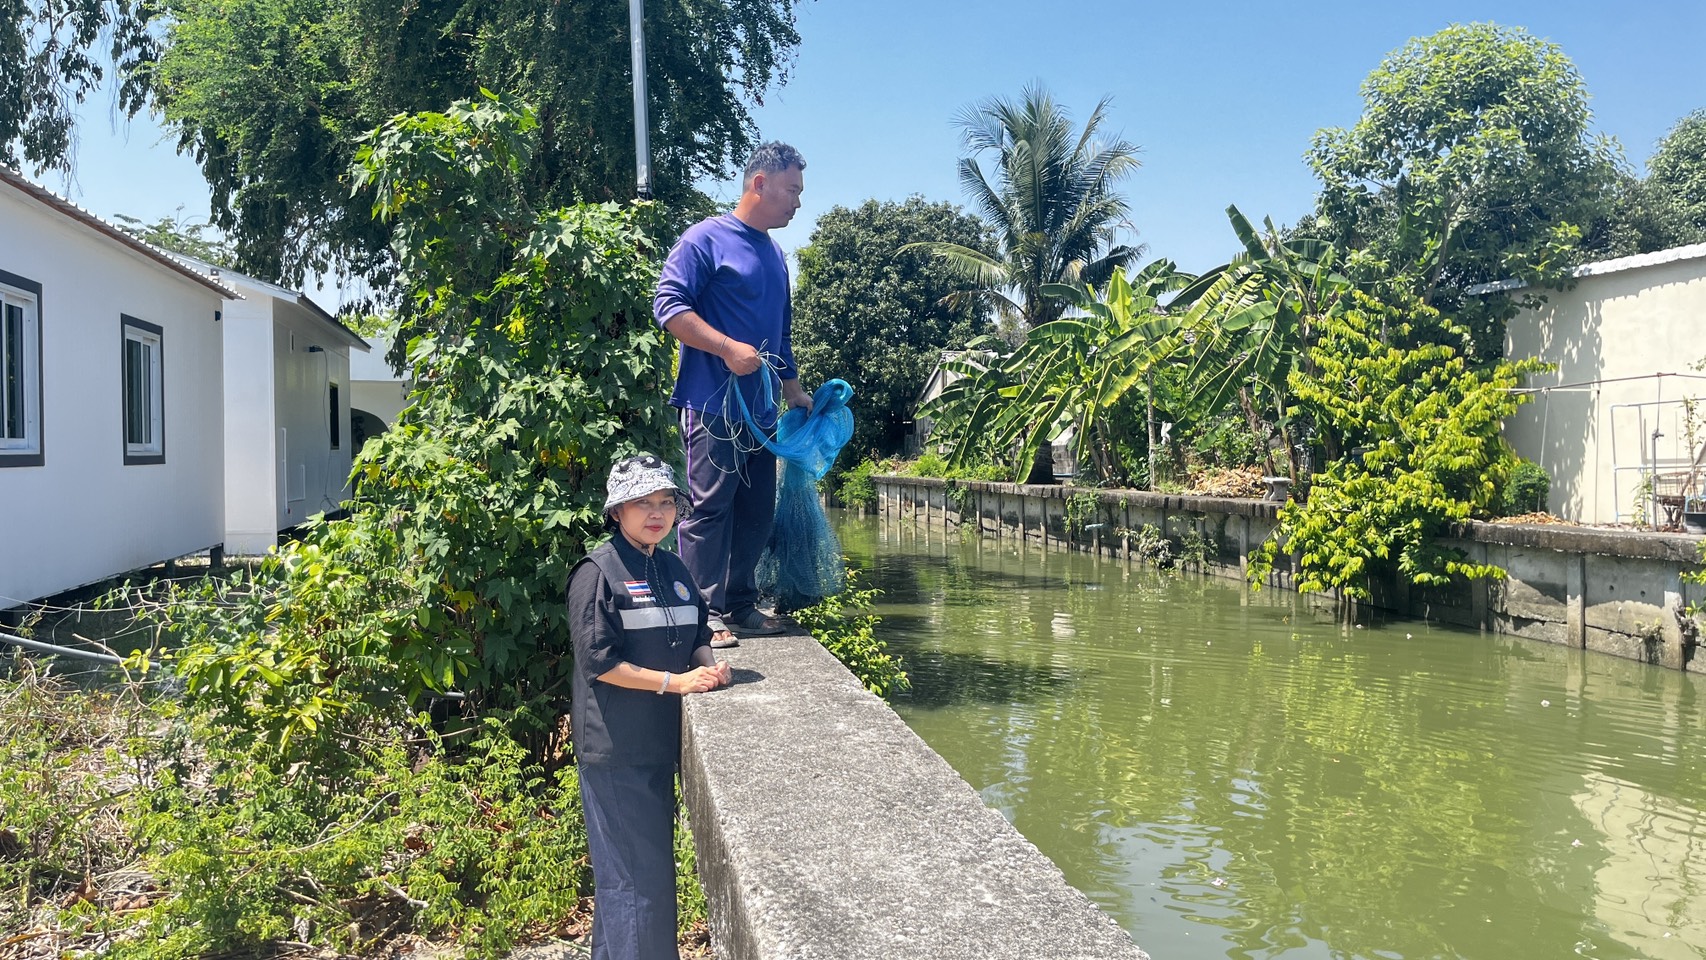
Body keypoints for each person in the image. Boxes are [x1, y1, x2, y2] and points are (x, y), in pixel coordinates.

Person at [567, 453, 732, 960]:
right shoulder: (598, 573)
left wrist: (710, 666)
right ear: (617, 511)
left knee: (635, 880)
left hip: (659, 746)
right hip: (617, 751)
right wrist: (675, 682)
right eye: (642, 502)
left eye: (666, 501)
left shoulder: (672, 567)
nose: (657, 513)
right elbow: (599, 662)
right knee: (640, 887)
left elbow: (698, 631)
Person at [654, 141, 813, 646]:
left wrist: (793, 389)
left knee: (756, 512)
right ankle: (701, 614)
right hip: (711, 404)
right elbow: (668, 307)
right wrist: (725, 348)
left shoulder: (775, 255)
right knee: (709, 510)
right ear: (759, 183)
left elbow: (780, 334)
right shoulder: (705, 239)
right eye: (792, 190)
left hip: (761, 412)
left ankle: (741, 605)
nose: (798, 202)